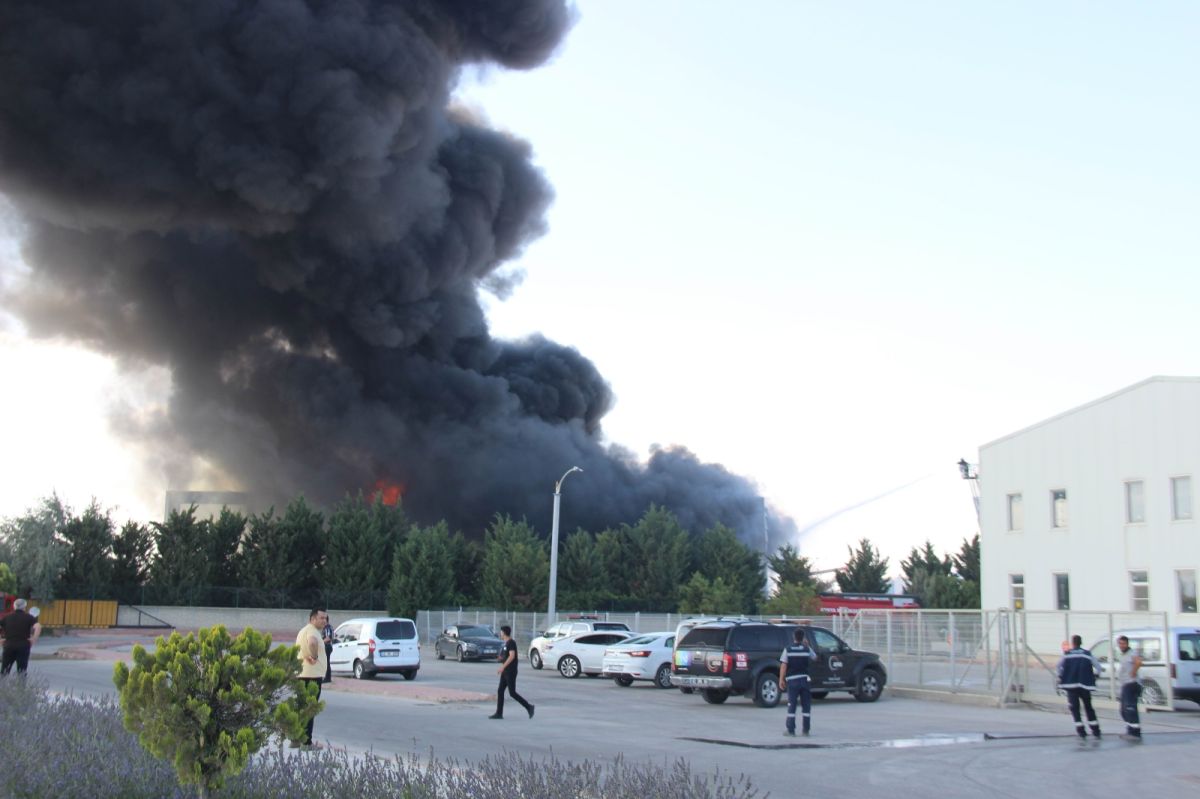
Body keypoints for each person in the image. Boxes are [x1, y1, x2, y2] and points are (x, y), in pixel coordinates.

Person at [1057, 634, 1101, 743]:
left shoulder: (1067, 655)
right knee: (1088, 708)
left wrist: (1062, 676)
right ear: (1081, 643)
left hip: (1071, 687)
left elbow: (1058, 667)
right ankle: (1095, 730)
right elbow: (1098, 667)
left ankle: (1081, 731)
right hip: (1084, 686)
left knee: (1075, 709)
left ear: (1073, 643)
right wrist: (1095, 676)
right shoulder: (1087, 654)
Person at [294, 608, 328, 748]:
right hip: (312, 676)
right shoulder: (313, 631)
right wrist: (314, 656)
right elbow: (312, 642)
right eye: (321, 618)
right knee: (310, 708)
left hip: (301, 674)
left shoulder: (303, 631)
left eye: (325, 618)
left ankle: (295, 739)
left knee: (301, 707)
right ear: (313, 619)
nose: (324, 621)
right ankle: (306, 742)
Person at [489, 625, 534, 720]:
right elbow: (506, 656)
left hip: (510, 671)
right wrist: (501, 659)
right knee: (500, 691)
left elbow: (512, 656)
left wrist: (503, 667)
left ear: (504, 632)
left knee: (512, 693)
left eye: (501, 632)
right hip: (505, 671)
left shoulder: (511, 643)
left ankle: (529, 707)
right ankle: (499, 713)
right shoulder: (506, 643)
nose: (500, 633)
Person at [779, 627, 814, 737]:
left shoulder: (788, 649)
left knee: (792, 705)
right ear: (803, 638)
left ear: (794, 637)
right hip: (804, 680)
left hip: (792, 681)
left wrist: (781, 679)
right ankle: (806, 730)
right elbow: (815, 657)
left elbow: (784, 665)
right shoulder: (806, 649)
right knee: (806, 705)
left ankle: (791, 730)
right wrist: (808, 646)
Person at [0, 599, 41, 676]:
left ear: (14, 606)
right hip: (23, 646)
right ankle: (21, 687)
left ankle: (2, 686)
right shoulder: (29, 617)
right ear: (24, 607)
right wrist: (34, 639)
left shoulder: (7, 617)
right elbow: (38, 627)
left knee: (4, 671)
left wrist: (0, 639)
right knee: (22, 671)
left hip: (9, 645)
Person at [1115, 635, 1144, 742]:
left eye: (1124, 644)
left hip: (1131, 684)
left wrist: (1133, 672)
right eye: (1120, 644)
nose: (1122, 646)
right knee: (1123, 710)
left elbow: (1139, 662)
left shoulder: (1131, 653)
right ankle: (1130, 730)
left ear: (1127, 644)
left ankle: (1135, 733)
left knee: (1130, 709)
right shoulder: (1123, 654)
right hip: (1125, 685)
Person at [321, 610, 334, 684]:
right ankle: (327, 677)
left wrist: (321, 642)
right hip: (327, 646)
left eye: (324, 619)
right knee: (326, 662)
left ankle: (327, 678)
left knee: (326, 662)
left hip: (327, 646)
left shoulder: (327, 627)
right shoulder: (327, 627)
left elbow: (328, 637)